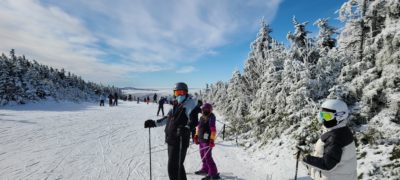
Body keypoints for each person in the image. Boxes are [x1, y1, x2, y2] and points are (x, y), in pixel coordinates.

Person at [301, 99, 357, 180]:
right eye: (322, 115)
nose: (323, 119)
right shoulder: (342, 130)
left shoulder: (335, 138)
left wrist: (304, 158)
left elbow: (327, 164)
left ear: (340, 116)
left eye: (327, 116)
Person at [164, 82, 197, 180]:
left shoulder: (190, 105)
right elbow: (168, 118)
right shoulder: (176, 104)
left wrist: (186, 128)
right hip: (171, 140)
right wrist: (154, 123)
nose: (179, 95)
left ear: (186, 92)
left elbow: (194, 121)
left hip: (180, 140)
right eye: (177, 93)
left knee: (172, 168)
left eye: (181, 92)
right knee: (178, 166)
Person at [193, 103, 220, 180]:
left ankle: (213, 173)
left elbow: (213, 130)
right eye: (204, 109)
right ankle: (205, 169)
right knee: (203, 156)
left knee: (208, 157)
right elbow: (198, 127)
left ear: (210, 110)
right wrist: (196, 136)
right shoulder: (201, 117)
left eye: (207, 109)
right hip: (201, 140)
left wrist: (212, 140)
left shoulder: (211, 117)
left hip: (208, 140)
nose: (205, 111)